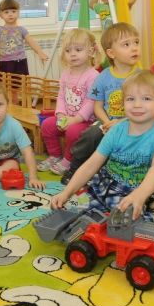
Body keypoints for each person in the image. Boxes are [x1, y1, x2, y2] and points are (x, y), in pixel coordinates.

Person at [51, 70, 154, 222]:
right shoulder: (116, 130)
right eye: (130, 99)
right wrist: (66, 193)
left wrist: (140, 195)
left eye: (146, 98)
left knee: (123, 222)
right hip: (103, 185)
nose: (137, 105)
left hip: (136, 191)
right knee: (73, 212)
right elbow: (91, 164)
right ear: (123, 105)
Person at [60, 22, 142, 185]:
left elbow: (144, 108)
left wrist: (121, 122)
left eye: (136, 42)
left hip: (133, 123)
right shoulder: (103, 77)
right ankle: (75, 168)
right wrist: (106, 123)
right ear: (111, 53)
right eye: (126, 44)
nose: (134, 48)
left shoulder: (142, 77)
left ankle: (115, 174)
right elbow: (97, 107)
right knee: (91, 134)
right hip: (106, 121)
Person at [37, 29, 100, 176]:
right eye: (68, 50)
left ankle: (68, 160)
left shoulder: (93, 75)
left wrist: (75, 119)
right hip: (66, 117)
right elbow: (61, 96)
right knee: (47, 125)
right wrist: (60, 114)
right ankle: (55, 155)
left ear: (90, 52)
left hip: (85, 121)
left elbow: (91, 102)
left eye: (78, 50)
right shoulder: (65, 74)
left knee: (73, 132)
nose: (72, 54)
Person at [0, 0, 49, 101]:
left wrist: (40, 52)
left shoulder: (21, 30)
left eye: (13, 11)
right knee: (5, 88)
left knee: (16, 89)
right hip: (5, 63)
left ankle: (16, 106)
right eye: (6, 12)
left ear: (18, 13)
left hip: (20, 63)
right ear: (1, 15)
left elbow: (31, 42)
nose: (10, 14)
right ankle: (7, 107)